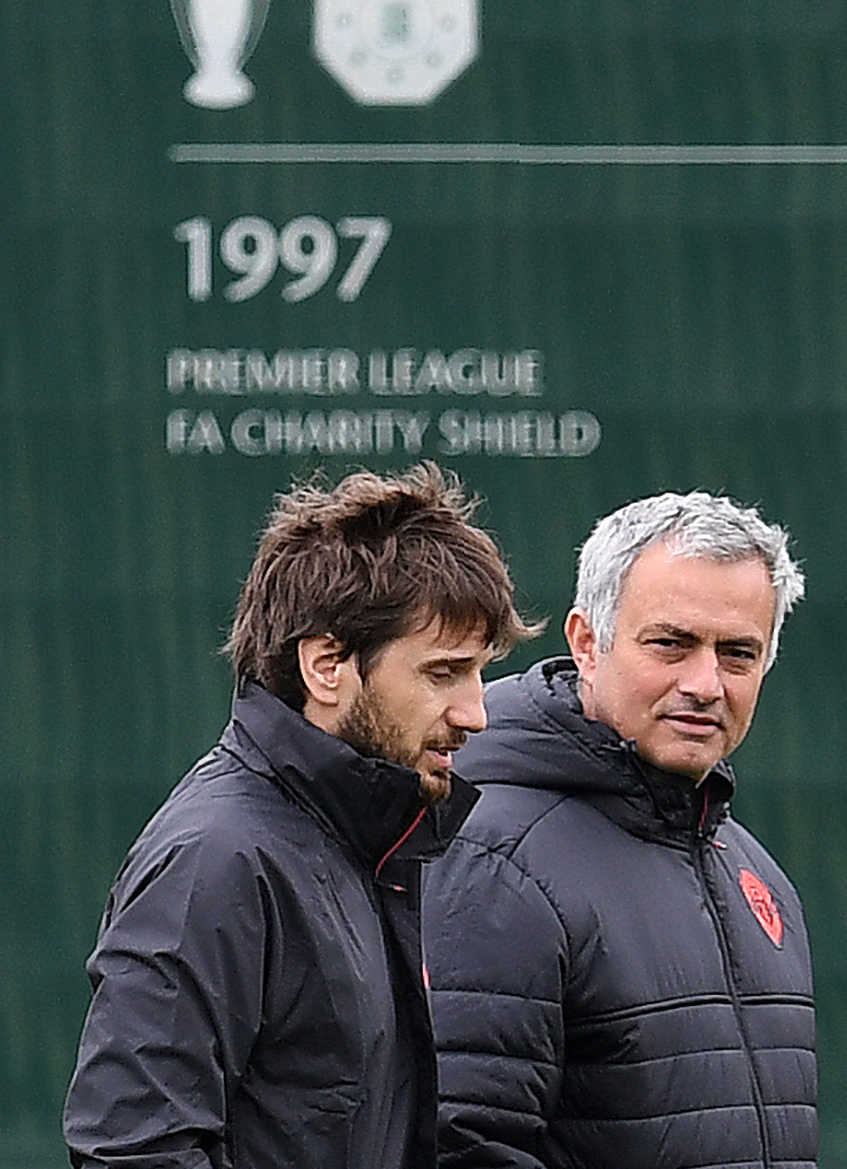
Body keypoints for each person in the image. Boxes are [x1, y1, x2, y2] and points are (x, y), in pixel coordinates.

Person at [64, 463, 541, 1169]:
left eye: (479, 672)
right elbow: (134, 1151)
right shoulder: (217, 858)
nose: (476, 712)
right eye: (443, 672)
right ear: (326, 666)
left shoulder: (374, 838)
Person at [424, 490, 814, 1169]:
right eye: (671, 643)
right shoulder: (493, 856)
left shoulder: (752, 871)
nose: (705, 682)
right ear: (587, 643)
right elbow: (461, 1145)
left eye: (738, 653)